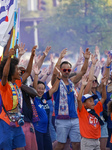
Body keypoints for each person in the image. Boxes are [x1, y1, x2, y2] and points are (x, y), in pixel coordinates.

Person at [51, 48, 91, 150]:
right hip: (61, 119)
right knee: (61, 145)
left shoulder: (72, 81)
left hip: (74, 118)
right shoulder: (56, 83)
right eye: (64, 70)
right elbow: (54, 73)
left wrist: (86, 59)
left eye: (69, 70)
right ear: (60, 70)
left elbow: (82, 71)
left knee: (77, 144)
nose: (67, 72)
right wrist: (60, 58)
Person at [0, 45, 36, 150]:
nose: (19, 72)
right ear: (11, 72)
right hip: (6, 123)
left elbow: (28, 72)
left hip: (17, 122)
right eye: (17, 69)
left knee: (21, 148)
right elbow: (5, 74)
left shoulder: (17, 83)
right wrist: (9, 58)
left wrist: (32, 56)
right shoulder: (4, 85)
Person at [33, 66, 62, 150]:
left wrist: (59, 78)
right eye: (39, 88)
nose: (40, 91)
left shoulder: (44, 97)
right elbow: (34, 88)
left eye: (42, 89)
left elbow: (54, 89)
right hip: (37, 130)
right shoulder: (34, 98)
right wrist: (36, 75)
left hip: (46, 130)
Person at [77, 75, 107, 150]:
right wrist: (83, 86)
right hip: (87, 141)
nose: (93, 102)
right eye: (90, 101)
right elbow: (79, 100)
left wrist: (103, 86)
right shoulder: (82, 111)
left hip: (97, 141)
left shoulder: (96, 108)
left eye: (93, 100)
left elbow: (103, 98)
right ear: (84, 104)